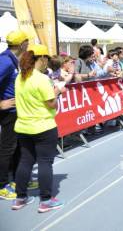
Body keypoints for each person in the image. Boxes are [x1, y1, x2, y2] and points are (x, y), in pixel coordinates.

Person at [12, 44, 64, 212]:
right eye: (47, 59)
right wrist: (57, 91)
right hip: (43, 126)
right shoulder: (41, 79)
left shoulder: (20, 77)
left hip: (23, 126)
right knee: (45, 163)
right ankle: (46, 201)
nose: (47, 62)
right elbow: (51, 104)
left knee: (25, 161)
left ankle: (20, 198)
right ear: (41, 59)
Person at [0, 30, 28, 200]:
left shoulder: (12, 59)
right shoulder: (5, 61)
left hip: (16, 110)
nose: (29, 44)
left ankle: (17, 179)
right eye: (27, 41)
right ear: (21, 44)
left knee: (17, 145)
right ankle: (2, 185)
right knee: (7, 148)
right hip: (8, 112)